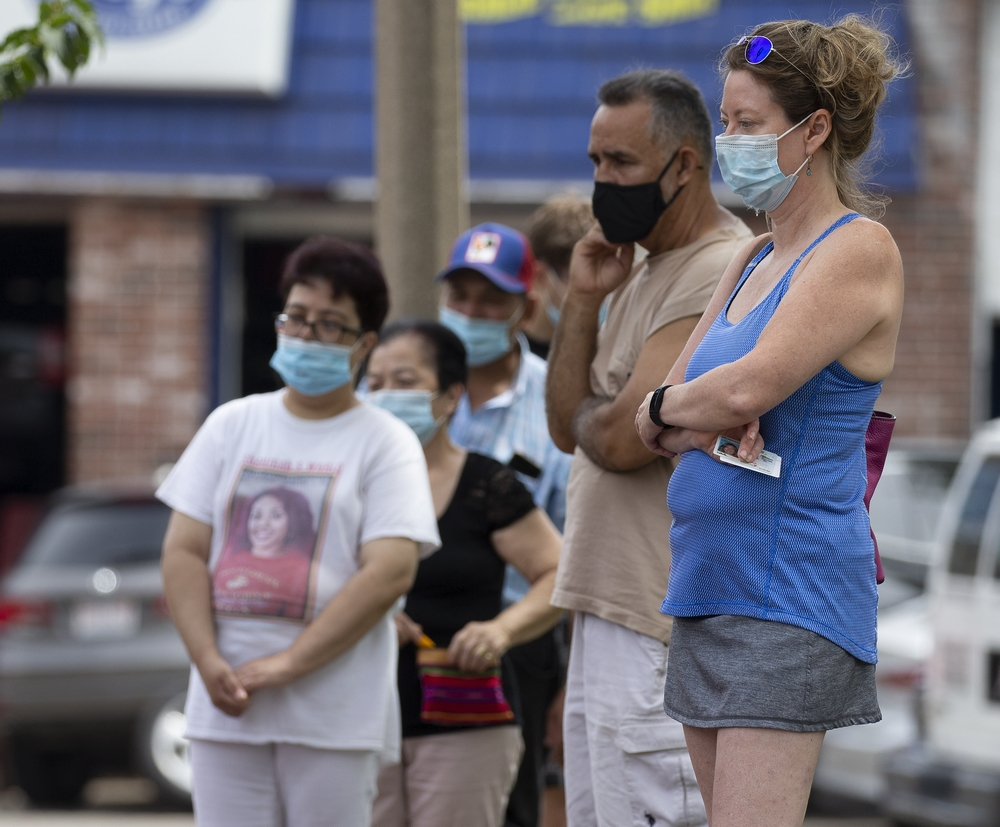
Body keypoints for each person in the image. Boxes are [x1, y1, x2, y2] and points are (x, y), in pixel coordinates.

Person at [633, 18, 904, 827]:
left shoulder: (859, 248)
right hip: (706, 582)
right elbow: (669, 411)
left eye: (748, 124)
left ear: (814, 130)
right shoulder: (751, 256)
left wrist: (693, 408)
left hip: (786, 593)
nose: (728, 140)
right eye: (726, 121)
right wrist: (684, 412)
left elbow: (740, 390)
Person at [158, 237, 440, 827]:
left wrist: (290, 665)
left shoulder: (385, 442)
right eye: (297, 318)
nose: (307, 336)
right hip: (226, 706)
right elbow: (184, 551)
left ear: (364, 344)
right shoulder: (231, 424)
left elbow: (390, 569)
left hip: (332, 716)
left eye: (330, 326)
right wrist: (207, 659)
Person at [544, 69, 753, 826]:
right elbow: (570, 425)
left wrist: (604, 417)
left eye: (622, 164)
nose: (603, 182)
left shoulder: (718, 267)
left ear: (686, 164)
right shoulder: (631, 269)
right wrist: (582, 300)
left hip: (658, 629)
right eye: (596, 162)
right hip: (607, 617)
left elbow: (624, 440)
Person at [365, 319, 563, 827]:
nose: (386, 396)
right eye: (375, 382)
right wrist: (368, 613)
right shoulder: (352, 483)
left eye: (405, 382)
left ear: (450, 396)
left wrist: (501, 631)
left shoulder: (486, 484)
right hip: (360, 710)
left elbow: (559, 574)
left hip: (464, 715)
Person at [437, 222, 572, 827]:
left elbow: (577, 550)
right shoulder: (403, 388)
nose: (472, 312)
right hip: (408, 631)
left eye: (490, 299)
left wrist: (569, 682)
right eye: (459, 297)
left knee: (509, 809)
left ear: (527, 308)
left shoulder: (557, 407)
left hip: (516, 644)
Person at [212, 487, 317, 618]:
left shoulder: (301, 570)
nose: (263, 524)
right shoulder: (229, 553)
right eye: (256, 516)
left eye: (275, 516)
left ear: (293, 521)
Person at [520, 195, 596, 359]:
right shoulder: (512, 358)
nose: (597, 291)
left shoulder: (606, 355)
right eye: (580, 280)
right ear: (539, 275)